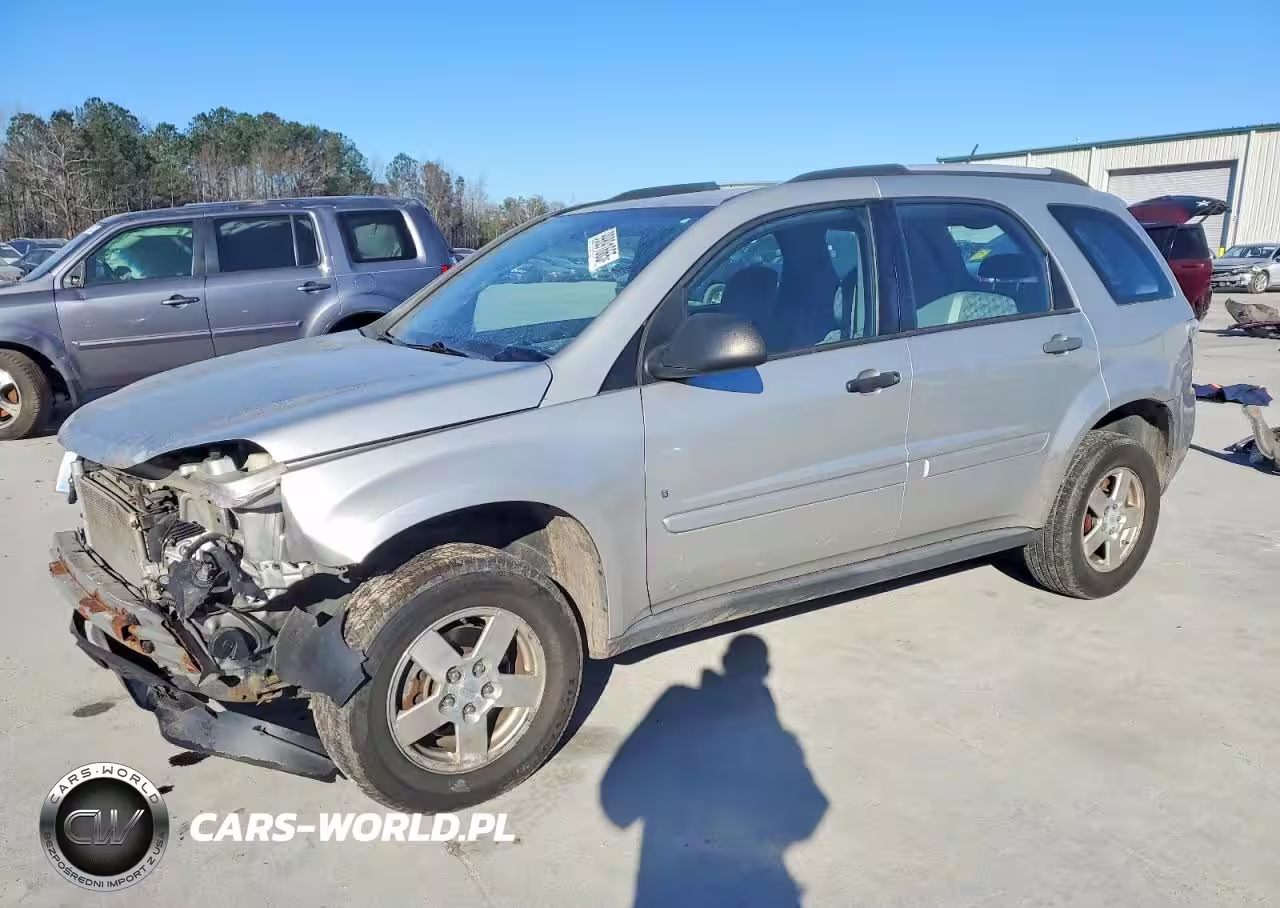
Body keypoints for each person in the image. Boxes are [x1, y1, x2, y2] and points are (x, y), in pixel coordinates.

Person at [601, 634, 828, 907]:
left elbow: (616, 800)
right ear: (765, 672)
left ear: (724, 662)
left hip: (673, 880)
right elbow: (812, 808)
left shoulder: (677, 702)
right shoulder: (778, 741)